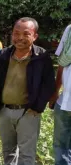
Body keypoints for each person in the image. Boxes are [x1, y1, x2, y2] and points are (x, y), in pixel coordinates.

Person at [0, 17, 55, 165]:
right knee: (8, 151)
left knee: (27, 154)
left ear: (34, 36)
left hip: (28, 112)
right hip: (5, 110)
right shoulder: (4, 55)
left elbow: (48, 84)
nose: (20, 37)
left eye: (26, 34)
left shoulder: (41, 57)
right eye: (16, 33)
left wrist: (37, 107)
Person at [49, 24, 71, 165]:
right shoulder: (70, 30)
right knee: (60, 146)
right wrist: (55, 92)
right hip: (64, 102)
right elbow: (62, 63)